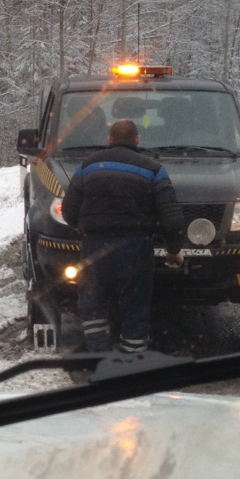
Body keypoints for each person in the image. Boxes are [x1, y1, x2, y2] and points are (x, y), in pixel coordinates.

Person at [61, 118, 185, 354]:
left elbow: (68, 209)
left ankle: (97, 357)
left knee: (93, 302)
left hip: (95, 247)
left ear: (109, 140)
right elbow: (173, 218)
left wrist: (82, 229)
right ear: (137, 140)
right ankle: (132, 359)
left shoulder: (87, 166)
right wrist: (173, 249)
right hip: (135, 248)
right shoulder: (153, 170)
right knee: (134, 306)